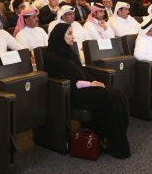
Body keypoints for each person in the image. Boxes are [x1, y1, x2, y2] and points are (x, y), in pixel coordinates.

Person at [43, 22, 132, 158]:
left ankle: (109, 138)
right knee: (112, 99)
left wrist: (93, 81)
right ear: (60, 36)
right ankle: (117, 146)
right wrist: (90, 84)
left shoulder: (69, 52)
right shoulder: (52, 57)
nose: (73, 37)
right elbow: (70, 82)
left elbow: (81, 70)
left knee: (120, 96)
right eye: (70, 33)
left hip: (85, 89)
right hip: (73, 94)